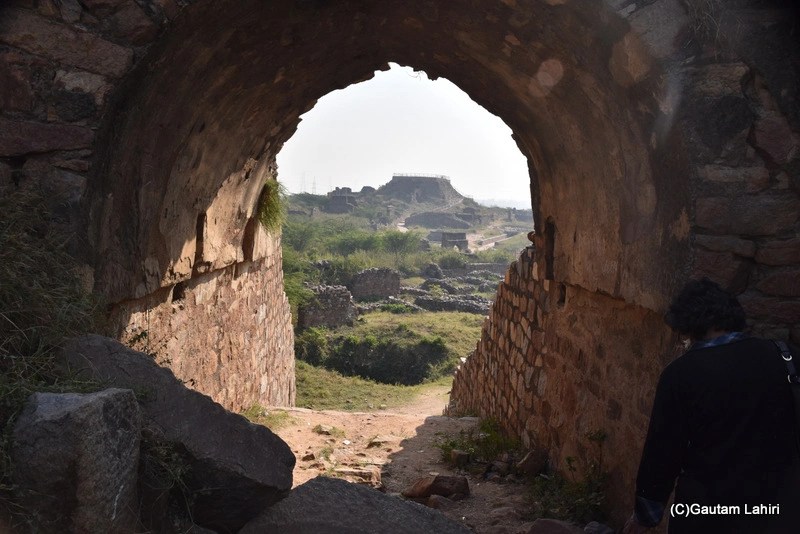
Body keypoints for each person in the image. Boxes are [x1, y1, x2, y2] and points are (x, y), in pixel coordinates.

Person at [623, 278, 800, 533]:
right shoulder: (786, 357)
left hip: (709, 512)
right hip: (779, 508)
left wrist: (645, 515)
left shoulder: (681, 374)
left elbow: (662, 453)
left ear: (688, 325)